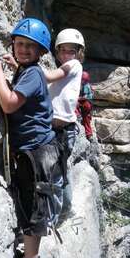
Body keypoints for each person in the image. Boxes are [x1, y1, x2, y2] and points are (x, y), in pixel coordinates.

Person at [0, 17, 63, 258]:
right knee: (30, 200)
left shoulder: (32, 73)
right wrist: (13, 68)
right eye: (19, 44)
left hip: (37, 152)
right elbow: (25, 78)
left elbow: (9, 103)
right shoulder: (28, 69)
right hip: (34, 149)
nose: (22, 49)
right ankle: (29, 257)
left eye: (30, 47)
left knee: (35, 207)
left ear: (41, 52)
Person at [44, 28, 85, 222]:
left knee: (55, 174)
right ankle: (64, 209)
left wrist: (24, 67)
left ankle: (52, 220)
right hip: (53, 130)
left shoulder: (73, 65)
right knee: (57, 172)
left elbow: (49, 76)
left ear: (78, 53)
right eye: (63, 50)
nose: (67, 54)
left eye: (71, 51)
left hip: (63, 132)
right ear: (57, 51)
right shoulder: (62, 73)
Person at [77, 71, 94, 140]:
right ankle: (89, 135)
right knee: (86, 119)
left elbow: (85, 97)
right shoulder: (87, 85)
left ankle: (77, 115)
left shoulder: (86, 86)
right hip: (88, 105)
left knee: (75, 103)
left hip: (86, 103)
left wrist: (77, 98)